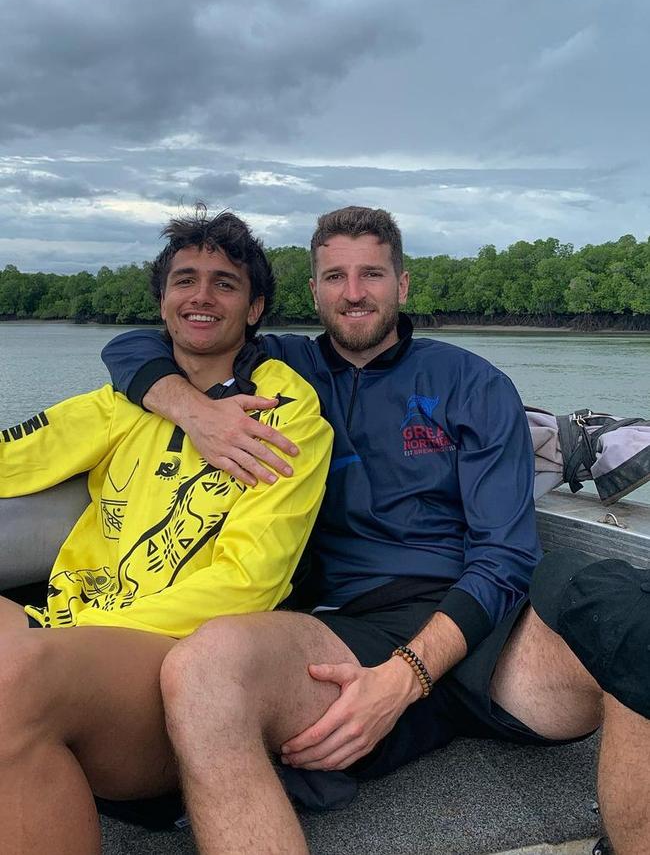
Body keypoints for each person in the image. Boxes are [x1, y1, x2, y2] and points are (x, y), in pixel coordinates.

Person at [103, 206, 650, 855]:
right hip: (345, 630)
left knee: (616, 601)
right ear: (314, 291)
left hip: (491, 635)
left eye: (372, 273)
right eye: (335, 275)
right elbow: (133, 346)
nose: (354, 291)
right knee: (207, 668)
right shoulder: (281, 367)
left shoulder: (471, 382)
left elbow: (504, 557)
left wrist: (405, 677)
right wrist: (196, 412)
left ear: (403, 285)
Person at [0, 208, 333, 855]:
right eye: (185, 279)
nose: (201, 296)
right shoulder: (126, 401)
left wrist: (71, 630)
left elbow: (247, 583)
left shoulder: (284, 420)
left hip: (172, 663)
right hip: (74, 628)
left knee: (16, 674)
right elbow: (14, 454)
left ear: (256, 306)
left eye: (225, 282)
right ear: (163, 300)